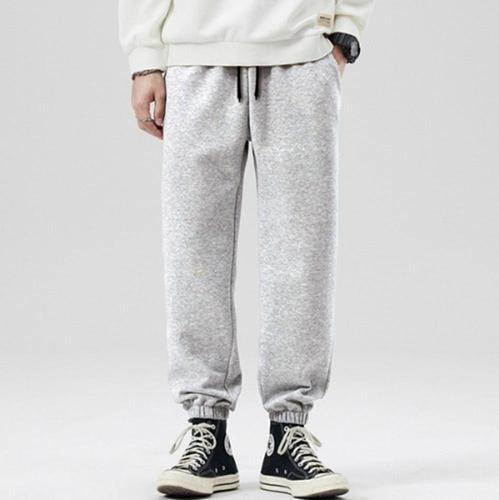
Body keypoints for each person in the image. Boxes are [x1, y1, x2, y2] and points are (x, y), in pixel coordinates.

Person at [119, 0, 374, 497]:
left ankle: (288, 434)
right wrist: (146, 58)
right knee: (193, 252)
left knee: (302, 253)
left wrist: (345, 32)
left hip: (301, 55)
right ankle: (207, 431)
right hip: (194, 56)